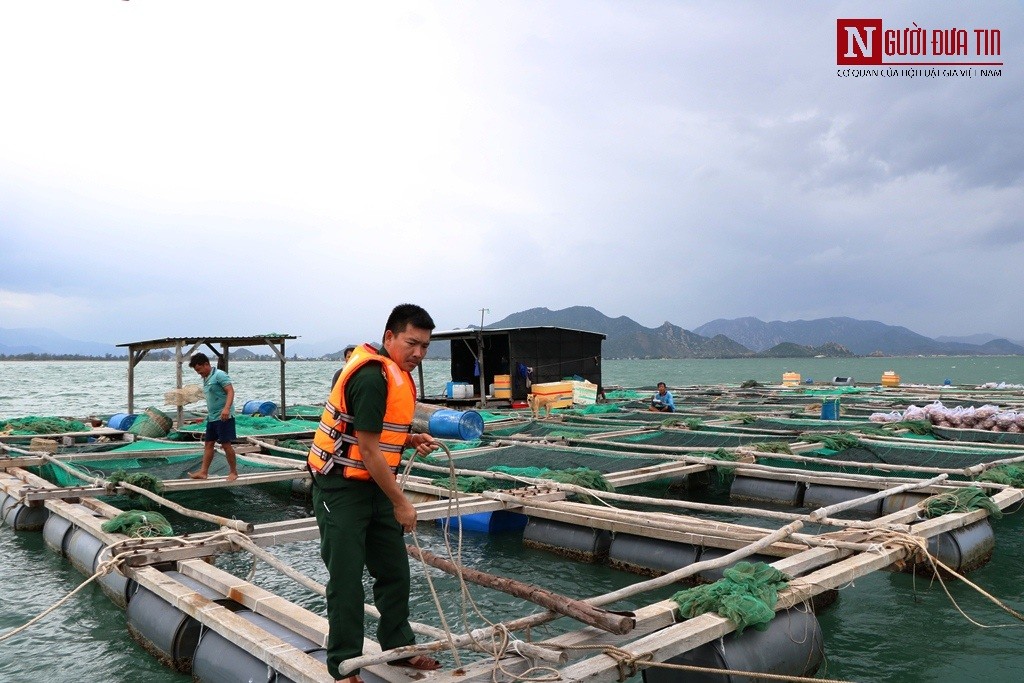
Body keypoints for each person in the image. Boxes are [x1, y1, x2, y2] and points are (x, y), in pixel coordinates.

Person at [308, 304, 443, 683]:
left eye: (425, 347)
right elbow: (366, 450)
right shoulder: (371, 377)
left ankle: (398, 648)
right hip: (341, 489)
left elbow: (378, 434)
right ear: (389, 338)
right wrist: (402, 502)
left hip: (375, 487)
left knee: (394, 571)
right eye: (411, 343)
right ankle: (345, 665)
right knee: (347, 579)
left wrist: (410, 438)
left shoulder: (395, 373)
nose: (418, 353)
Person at [187, 352, 239, 481]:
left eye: (199, 370)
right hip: (212, 417)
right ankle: (203, 472)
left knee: (226, 444)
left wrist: (226, 408)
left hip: (224, 416)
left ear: (206, 364)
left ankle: (233, 472)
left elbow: (230, 391)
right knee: (209, 443)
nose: (199, 373)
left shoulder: (219, 375)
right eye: (197, 371)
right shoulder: (206, 378)